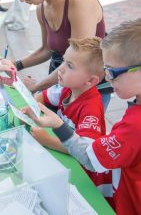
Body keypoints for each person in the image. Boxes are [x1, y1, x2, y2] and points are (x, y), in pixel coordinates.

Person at [30, 18, 141, 215]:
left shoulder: (135, 125)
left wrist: (59, 127)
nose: (107, 78)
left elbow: (90, 157)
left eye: (112, 72)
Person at [22, 38, 112, 203]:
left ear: (90, 81)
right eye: (63, 61)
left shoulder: (90, 108)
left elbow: (84, 152)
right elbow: (41, 97)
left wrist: (47, 140)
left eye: (69, 66)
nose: (60, 69)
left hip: (83, 176)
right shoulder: (67, 87)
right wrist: (30, 111)